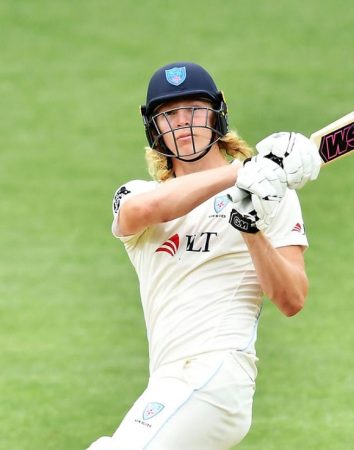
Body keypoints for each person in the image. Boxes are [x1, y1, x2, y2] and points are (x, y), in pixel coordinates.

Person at [87, 62, 321, 450]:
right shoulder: (137, 192)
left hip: (218, 371)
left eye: (193, 110)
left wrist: (251, 230)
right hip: (169, 380)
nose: (182, 123)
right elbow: (139, 213)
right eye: (169, 115)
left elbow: (292, 299)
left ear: (217, 114)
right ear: (154, 128)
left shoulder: (271, 197)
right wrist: (244, 172)